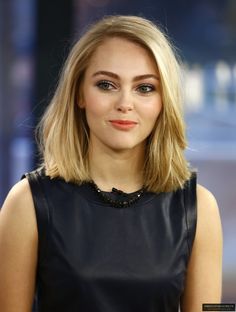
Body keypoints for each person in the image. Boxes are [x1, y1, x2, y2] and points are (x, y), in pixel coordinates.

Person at [0, 15, 223, 312]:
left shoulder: (199, 207)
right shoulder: (27, 202)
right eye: (106, 85)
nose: (125, 103)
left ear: (163, 101)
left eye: (144, 88)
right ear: (80, 94)